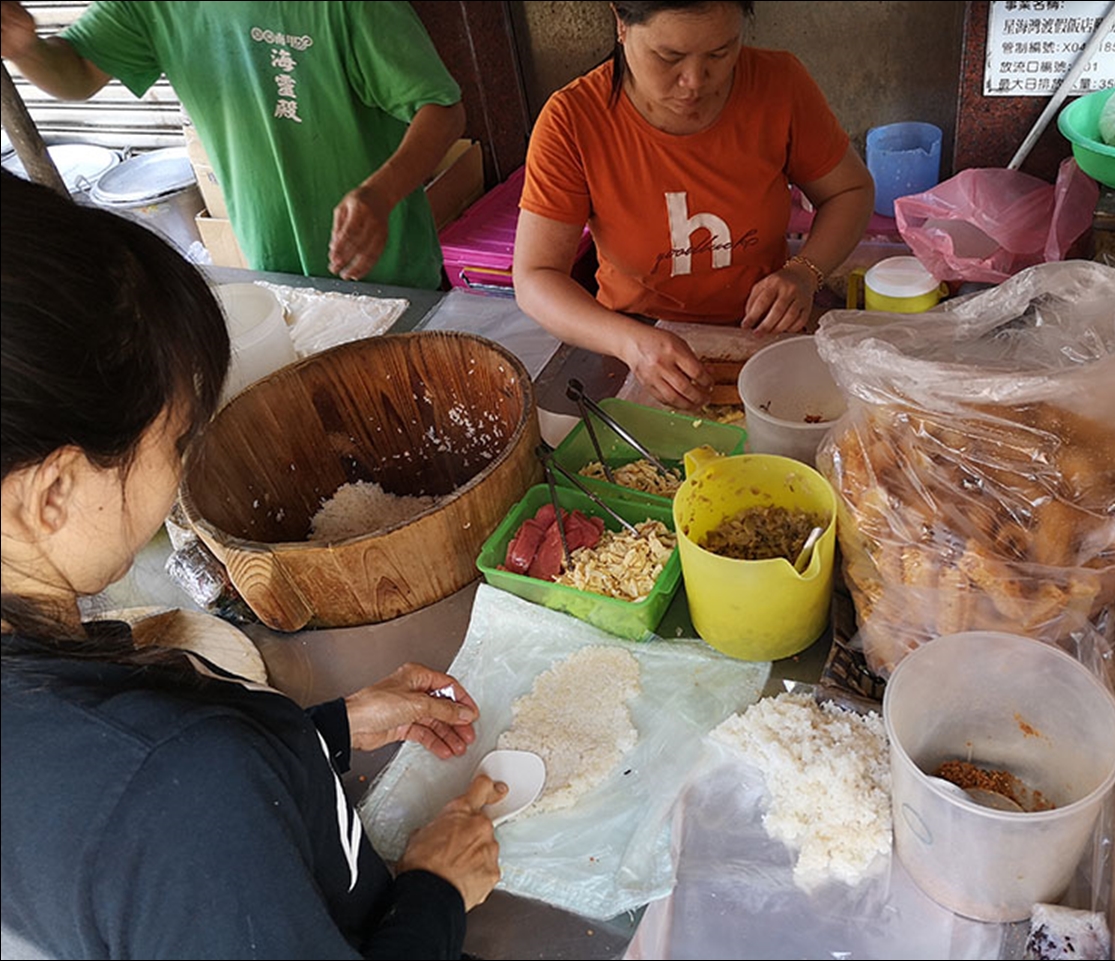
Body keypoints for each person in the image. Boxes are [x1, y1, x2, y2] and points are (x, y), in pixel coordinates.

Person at [0, 173, 504, 960]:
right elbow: (172, 809)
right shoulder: (181, 791)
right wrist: (436, 894)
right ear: (54, 494)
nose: (179, 474)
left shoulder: (111, 751)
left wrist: (317, 733)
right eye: (173, 443)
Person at [513, 0, 874, 410]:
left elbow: (849, 191)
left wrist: (804, 273)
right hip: (634, 346)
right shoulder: (572, 121)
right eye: (669, 57)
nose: (695, 82)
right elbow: (535, 277)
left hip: (763, 338)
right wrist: (630, 343)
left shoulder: (779, 85)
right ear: (621, 23)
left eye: (721, 53)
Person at [0, 0, 466, 289]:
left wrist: (382, 193)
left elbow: (442, 110)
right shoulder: (152, 7)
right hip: (272, 263)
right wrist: (26, 48)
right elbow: (77, 73)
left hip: (390, 272)